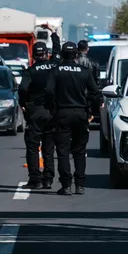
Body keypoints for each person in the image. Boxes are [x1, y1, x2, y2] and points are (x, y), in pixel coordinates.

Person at [51, 42, 99, 195]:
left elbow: (49, 92)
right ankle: (80, 185)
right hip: (80, 113)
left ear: (63, 55)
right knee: (79, 151)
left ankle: (66, 185)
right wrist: (93, 111)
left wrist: (52, 109)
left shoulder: (56, 71)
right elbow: (95, 92)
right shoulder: (84, 71)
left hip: (62, 113)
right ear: (76, 55)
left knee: (63, 151)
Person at [19, 41, 59, 190]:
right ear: (46, 54)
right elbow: (58, 52)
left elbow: (23, 88)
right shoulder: (55, 67)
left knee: (33, 146)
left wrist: (23, 102)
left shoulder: (31, 71)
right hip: (52, 112)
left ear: (34, 55)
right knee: (49, 147)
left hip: (35, 111)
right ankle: (48, 179)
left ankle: (35, 179)